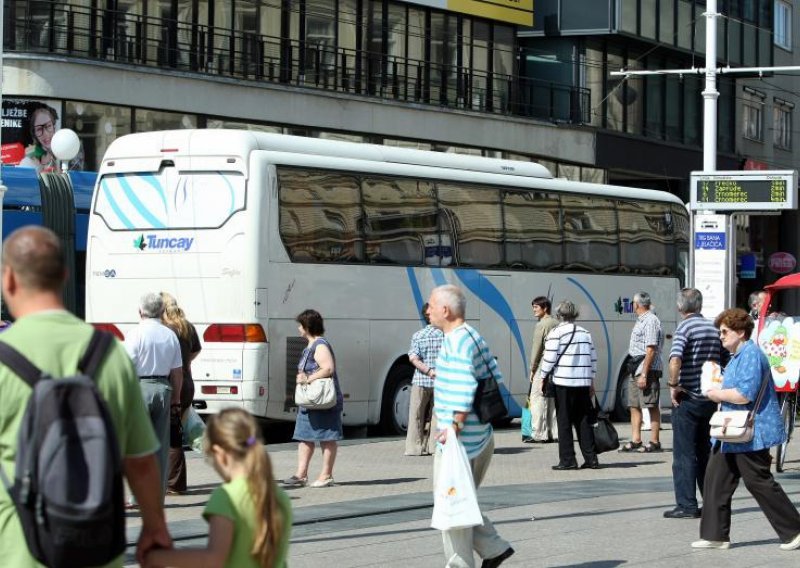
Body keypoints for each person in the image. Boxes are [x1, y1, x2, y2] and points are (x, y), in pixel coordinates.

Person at [0, 226, 170, 566]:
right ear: (64, 276)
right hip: (96, 546)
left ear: (8, 279)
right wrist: (155, 526)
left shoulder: (4, 357)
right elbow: (139, 461)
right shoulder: (109, 354)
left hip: (19, 548)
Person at [692, 308, 800, 551]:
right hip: (731, 433)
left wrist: (713, 392)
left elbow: (744, 395)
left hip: (751, 433)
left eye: (724, 332)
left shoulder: (751, 354)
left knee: (758, 481)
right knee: (715, 480)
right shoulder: (738, 356)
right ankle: (715, 535)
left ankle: (795, 530)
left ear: (740, 332)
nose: (720, 336)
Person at [428, 284, 514, 568]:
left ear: (445, 310)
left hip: (460, 441)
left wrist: (454, 424)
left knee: (451, 508)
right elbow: (494, 374)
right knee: (461, 502)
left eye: (431, 305)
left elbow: (465, 383)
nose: (427, 310)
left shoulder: (456, 341)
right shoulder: (473, 336)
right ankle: (494, 548)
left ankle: (462, 564)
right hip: (479, 437)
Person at [144, 408, 292, 568]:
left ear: (219, 453)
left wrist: (159, 557)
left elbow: (213, 559)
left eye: (211, 459)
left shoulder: (226, 498)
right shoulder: (278, 496)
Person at [664, 288, 721, 519]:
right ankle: (711, 501)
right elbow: (722, 360)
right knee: (704, 451)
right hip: (708, 398)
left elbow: (676, 358)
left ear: (680, 307)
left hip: (687, 398)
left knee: (684, 454)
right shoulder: (712, 327)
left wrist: (673, 385)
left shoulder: (684, 328)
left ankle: (686, 505)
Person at [125, 292, 184, 501]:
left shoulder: (134, 334)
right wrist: (176, 398)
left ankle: (137, 496)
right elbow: (177, 371)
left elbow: (127, 367)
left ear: (140, 311)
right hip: (164, 388)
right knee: (161, 444)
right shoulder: (170, 335)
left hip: (140, 388)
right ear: (161, 311)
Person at [283, 309, 343, 488]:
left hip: (322, 401)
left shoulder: (320, 345)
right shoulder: (310, 346)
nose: (298, 329)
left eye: (300, 325)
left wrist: (308, 378)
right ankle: (301, 475)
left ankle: (326, 475)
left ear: (307, 327)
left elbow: (328, 368)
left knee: (327, 437)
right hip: (310, 401)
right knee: (305, 437)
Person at [538, 300, 599, 470]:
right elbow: (593, 359)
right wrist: (591, 380)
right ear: (575, 315)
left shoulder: (556, 333)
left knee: (564, 420)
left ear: (559, 315)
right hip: (583, 382)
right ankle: (591, 458)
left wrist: (543, 376)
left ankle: (568, 460)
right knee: (583, 420)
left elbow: (549, 358)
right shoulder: (585, 333)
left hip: (563, 382)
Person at [160, 291, 202, 495]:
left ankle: (172, 483)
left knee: (169, 435)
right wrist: (186, 364)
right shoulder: (187, 326)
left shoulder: (164, 329)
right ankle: (175, 482)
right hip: (187, 382)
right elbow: (195, 350)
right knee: (175, 432)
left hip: (171, 383)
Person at [619, 291, 664, 453]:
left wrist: (645, 373)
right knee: (634, 404)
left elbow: (651, 348)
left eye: (633, 303)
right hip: (635, 367)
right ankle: (636, 439)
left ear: (637, 304)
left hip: (647, 368)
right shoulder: (641, 320)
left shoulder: (651, 320)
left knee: (650, 405)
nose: (633, 305)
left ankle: (654, 441)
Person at [405, 302, 444, 456]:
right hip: (441, 382)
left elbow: (413, 358)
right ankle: (435, 447)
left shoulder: (418, 335)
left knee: (416, 414)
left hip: (421, 380)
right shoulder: (446, 335)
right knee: (437, 415)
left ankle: (414, 448)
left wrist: (428, 371)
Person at [527, 295, 559, 443]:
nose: (533, 310)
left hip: (543, 366)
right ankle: (554, 433)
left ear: (545, 308)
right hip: (556, 366)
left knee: (537, 398)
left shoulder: (541, 325)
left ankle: (539, 433)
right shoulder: (557, 323)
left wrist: (532, 369)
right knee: (552, 400)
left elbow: (537, 349)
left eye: (536, 307)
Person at [18, 103, 83, 173]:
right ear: (35, 134)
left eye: (48, 126)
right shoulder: (29, 161)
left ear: (54, 127)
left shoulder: (69, 151)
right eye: (39, 129)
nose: (45, 134)